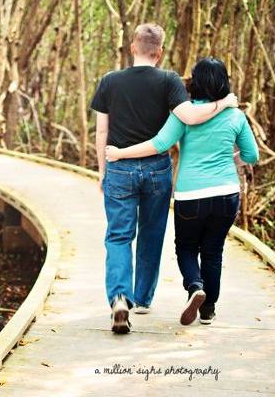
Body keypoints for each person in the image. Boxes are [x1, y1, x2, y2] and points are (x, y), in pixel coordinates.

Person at [90, 24, 239, 334]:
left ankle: (119, 296)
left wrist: (102, 170)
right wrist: (225, 103)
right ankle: (142, 299)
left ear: (133, 48)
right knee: (152, 232)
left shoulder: (109, 81)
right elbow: (191, 117)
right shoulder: (169, 80)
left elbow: (101, 132)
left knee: (118, 235)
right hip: (157, 170)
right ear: (159, 52)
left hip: (119, 167)